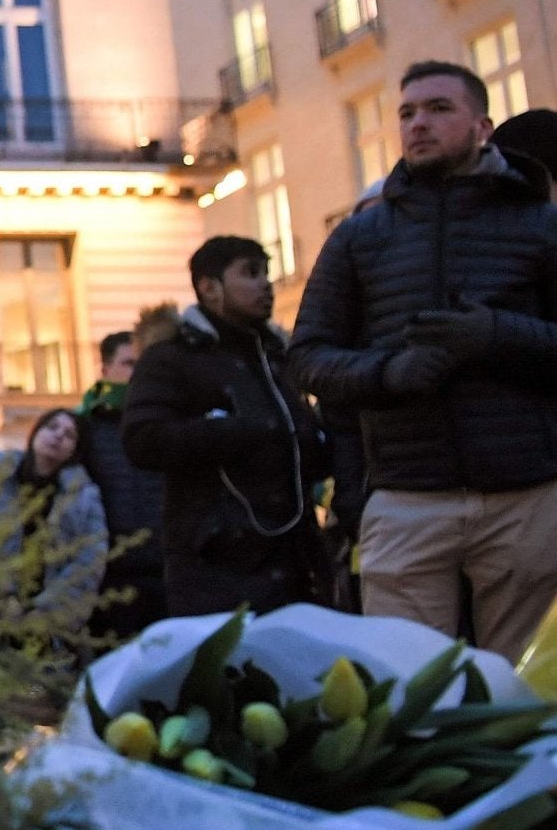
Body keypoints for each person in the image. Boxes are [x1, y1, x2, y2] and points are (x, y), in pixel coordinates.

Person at [287, 61, 557, 660]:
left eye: (439, 109)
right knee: (408, 686)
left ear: (482, 125)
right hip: (407, 497)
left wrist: (497, 335)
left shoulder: (540, 224)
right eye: (407, 113)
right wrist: (387, 373)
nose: (418, 124)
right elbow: (306, 357)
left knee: (525, 690)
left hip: (523, 493)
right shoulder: (360, 237)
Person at [124, 237, 330, 616]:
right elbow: (143, 440)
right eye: (250, 273)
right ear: (209, 287)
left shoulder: (276, 360)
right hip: (217, 571)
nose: (266, 284)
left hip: (296, 567)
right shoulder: (172, 358)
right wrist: (237, 431)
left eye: (266, 272)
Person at [0, 408, 109, 633]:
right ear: (35, 432)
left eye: (69, 435)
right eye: (52, 427)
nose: (58, 436)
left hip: (48, 621)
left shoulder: (83, 498)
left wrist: (45, 610)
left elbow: (90, 559)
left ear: (75, 449)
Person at [78, 328, 167, 636]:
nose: (139, 373)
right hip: (111, 580)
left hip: (169, 573)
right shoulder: (84, 429)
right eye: (129, 363)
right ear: (105, 371)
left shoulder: (169, 424)